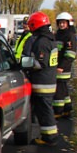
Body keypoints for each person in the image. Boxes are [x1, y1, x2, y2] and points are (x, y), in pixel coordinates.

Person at [25, 12, 59, 146]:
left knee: (44, 111)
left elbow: (40, 63)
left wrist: (27, 65)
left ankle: (50, 138)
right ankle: (48, 135)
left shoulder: (42, 42)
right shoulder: (51, 40)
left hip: (42, 82)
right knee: (46, 110)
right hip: (49, 80)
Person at [53, 12, 77, 118]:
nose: (61, 25)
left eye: (64, 23)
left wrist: (61, 67)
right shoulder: (58, 35)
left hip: (63, 69)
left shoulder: (70, 36)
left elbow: (70, 55)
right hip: (57, 67)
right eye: (60, 23)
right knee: (64, 90)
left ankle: (58, 111)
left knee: (59, 90)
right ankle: (67, 109)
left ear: (68, 23)